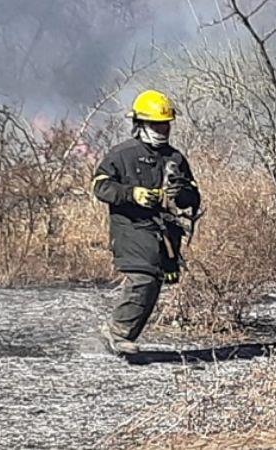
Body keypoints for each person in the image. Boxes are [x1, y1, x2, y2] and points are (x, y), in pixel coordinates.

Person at [91, 89, 201, 355]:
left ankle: (118, 337)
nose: (162, 129)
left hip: (164, 237)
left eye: (165, 124)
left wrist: (182, 193)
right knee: (142, 278)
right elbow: (100, 187)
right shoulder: (122, 154)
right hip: (130, 230)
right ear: (139, 123)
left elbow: (193, 196)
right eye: (155, 124)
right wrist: (132, 194)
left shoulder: (175, 158)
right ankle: (117, 332)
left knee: (153, 285)